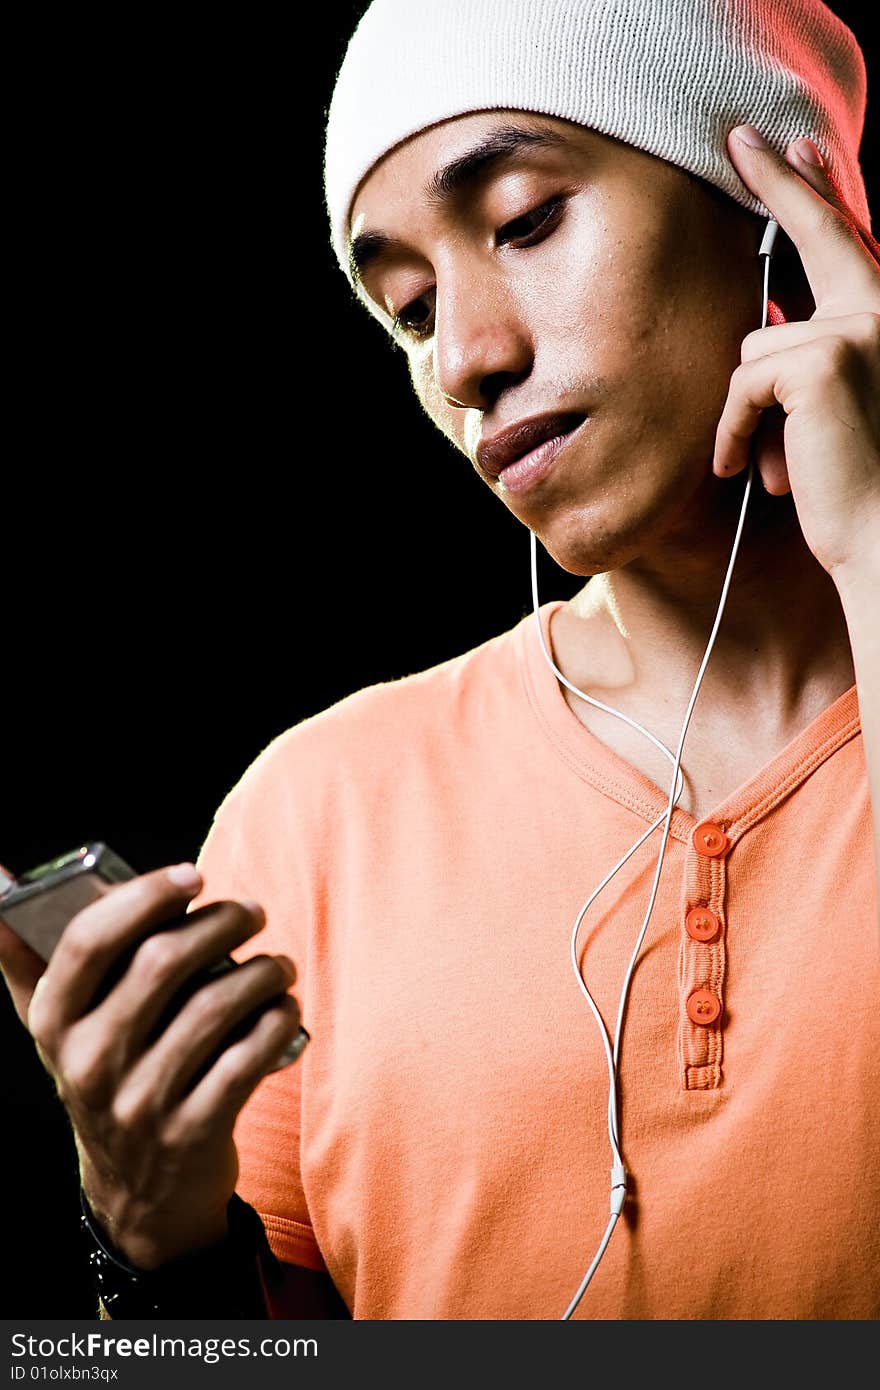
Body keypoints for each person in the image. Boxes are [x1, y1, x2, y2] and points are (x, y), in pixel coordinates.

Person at [1, 0, 878, 1321]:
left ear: (781, 214)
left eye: (526, 220)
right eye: (408, 308)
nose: (466, 357)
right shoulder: (320, 815)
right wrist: (148, 1245)